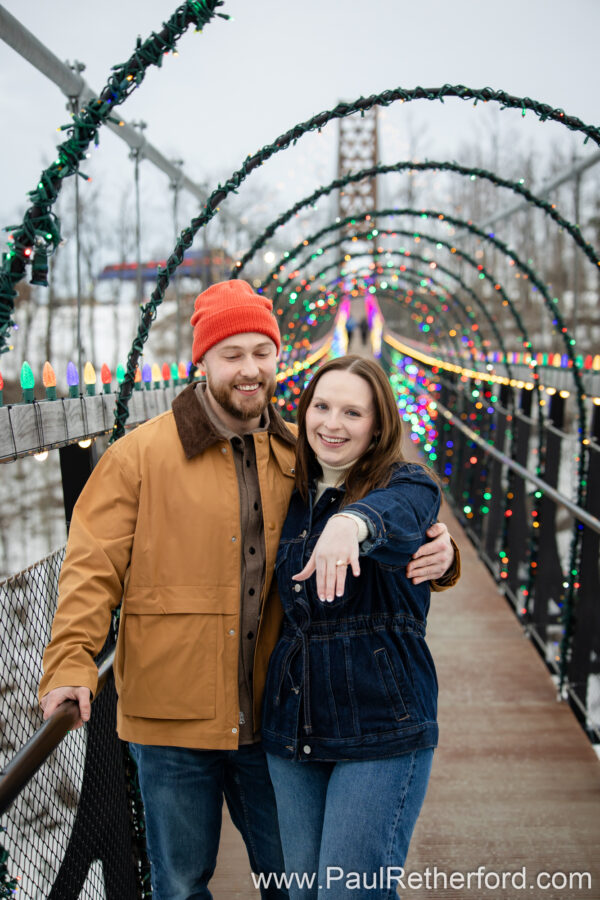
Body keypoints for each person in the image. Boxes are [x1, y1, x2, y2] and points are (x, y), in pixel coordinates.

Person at [38, 281, 458, 900]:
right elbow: (90, 567)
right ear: (201, 361)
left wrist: (438, 553)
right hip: (171, 717)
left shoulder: (297, 454)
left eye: (262, 352)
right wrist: (71, 660)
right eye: (231, 354)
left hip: (273, 720)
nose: (249, 369)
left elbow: (384, 500)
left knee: (294, 886)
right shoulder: (138, 458)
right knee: (180, 885)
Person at [261, 355, 452, 899]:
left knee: (350, 893)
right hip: (294, 724)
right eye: (321, 406)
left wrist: (352, 521)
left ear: (377, 426)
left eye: (352, 412)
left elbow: (405, 515)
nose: (332, 424)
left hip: (380, 721)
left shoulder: (407, 483)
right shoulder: (290, 492)